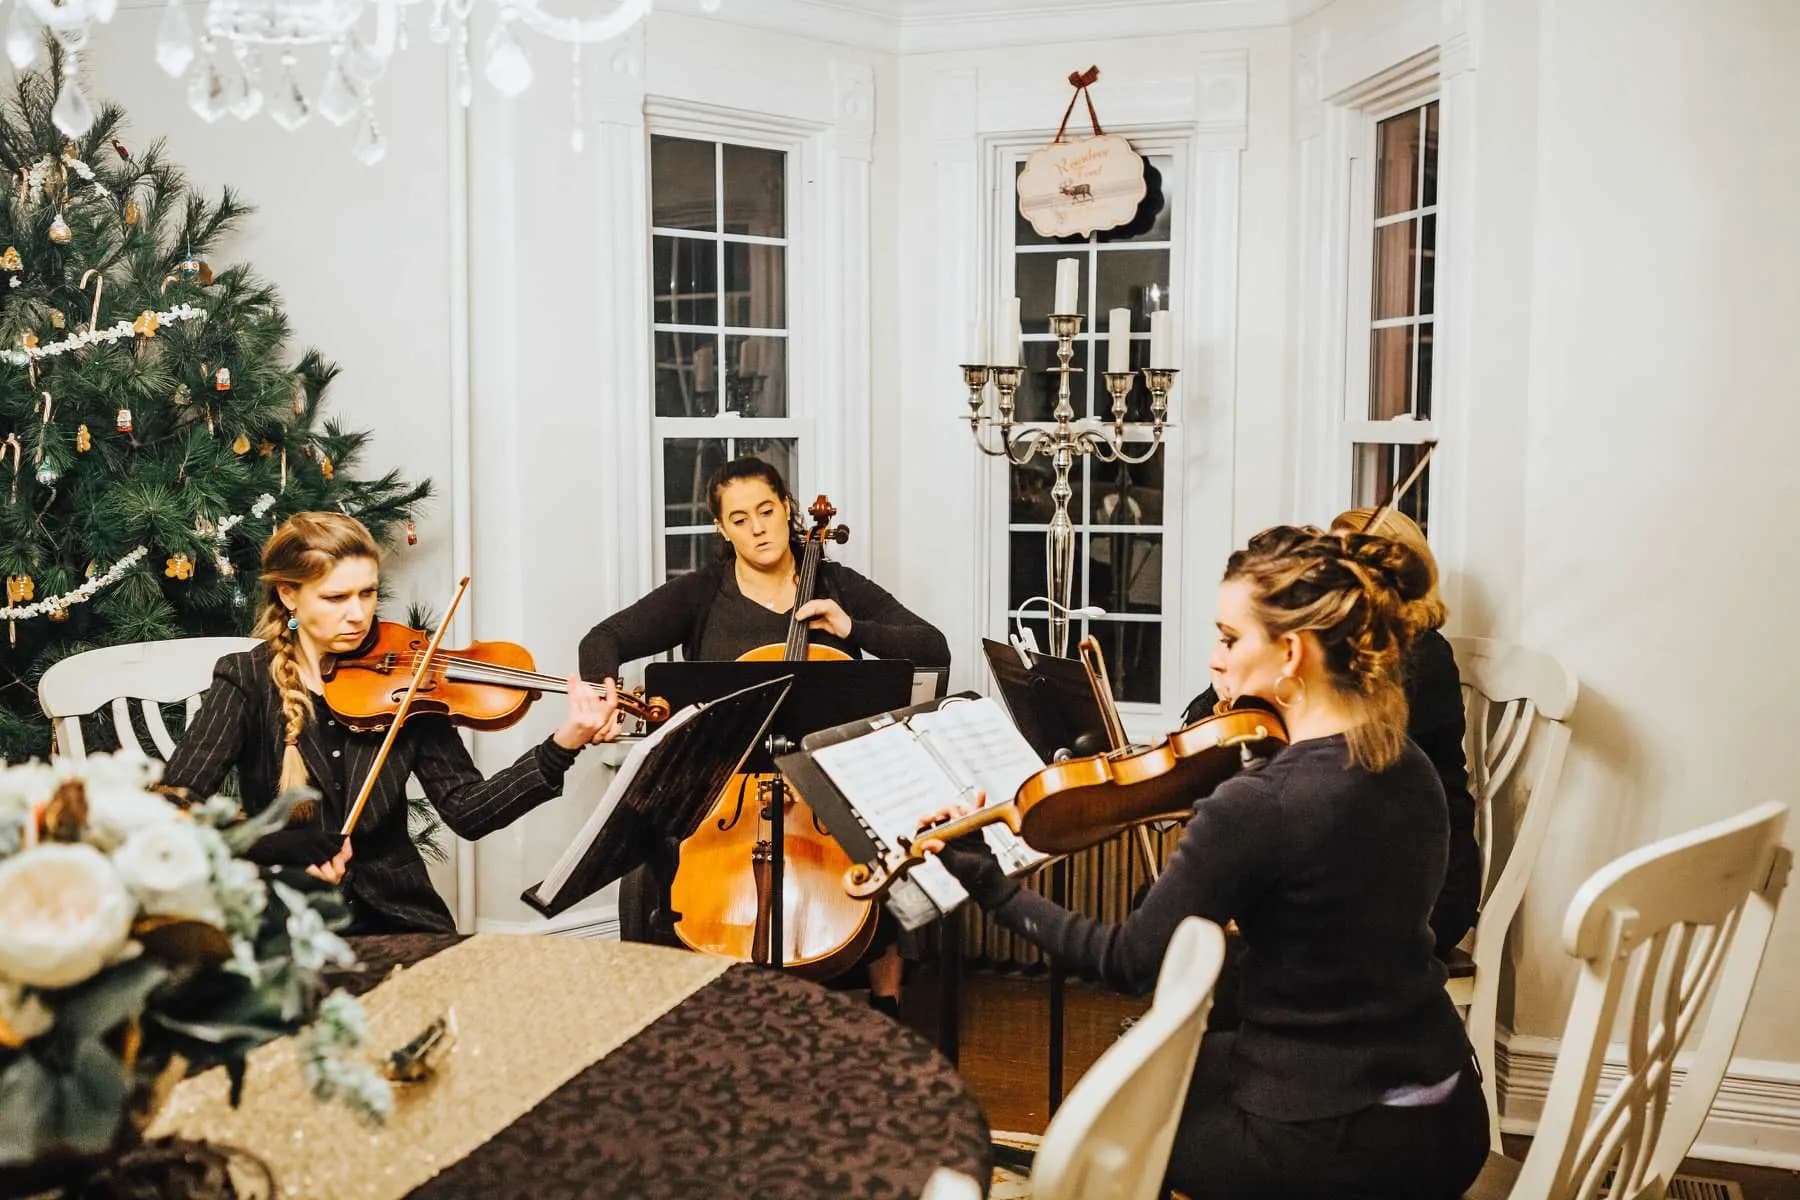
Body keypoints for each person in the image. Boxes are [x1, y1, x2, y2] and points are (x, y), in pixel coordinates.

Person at [926, 525, 1490, 1199]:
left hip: (1341, 1139)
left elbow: (1128, 961)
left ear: (1291, 652)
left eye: (1228, 639)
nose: (1215, 660)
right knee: (1190, 1058)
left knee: (1117, 1128)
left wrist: (991, 886)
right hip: (1449, 1110)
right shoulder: (1406, 759)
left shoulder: (1260, 804)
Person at [579, 456, 950, 1015]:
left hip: (825, 782)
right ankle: (659, 1002)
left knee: (890, 841)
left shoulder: (835, 584)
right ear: (722, 529)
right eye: (740, 518)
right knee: (643, 847)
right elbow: (603, 639)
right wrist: (600, 693)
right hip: (726, 784)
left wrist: (851, 627)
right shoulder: (701, 594)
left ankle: (886, 1004)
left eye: (767, 511)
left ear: (787, 509)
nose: (757, 528)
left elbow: (932, 647)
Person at [164, 512, 622, 933]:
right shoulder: (246, 679)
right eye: (336, 597)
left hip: (401, 913)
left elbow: (469, 812)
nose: (358, 615)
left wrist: (565, 743)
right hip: (285, 918)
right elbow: (172, 805)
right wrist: (270, 848)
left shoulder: (409, 676)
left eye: (367, 593)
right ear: (288, 594)